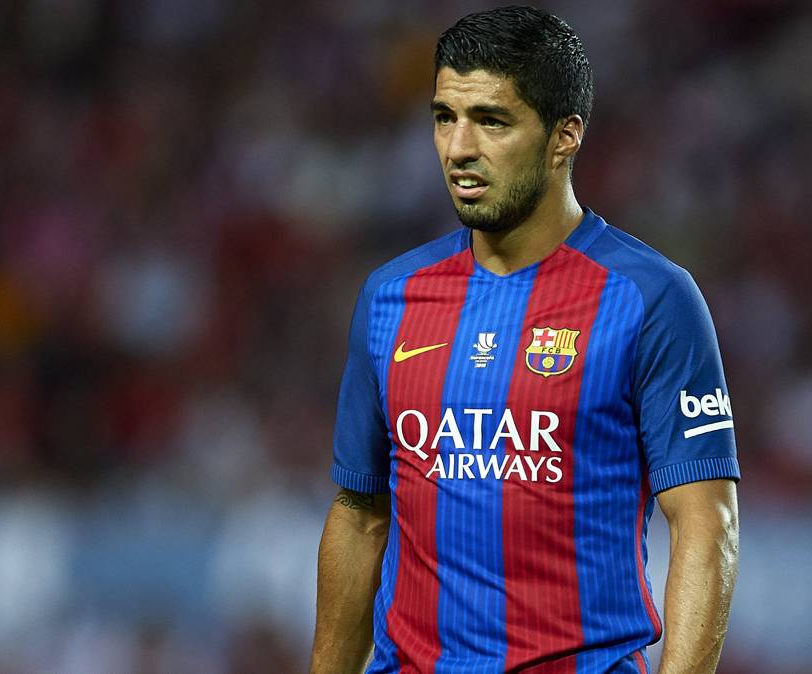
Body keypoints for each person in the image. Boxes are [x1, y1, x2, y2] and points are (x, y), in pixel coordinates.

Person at [309, 6, 739, 674]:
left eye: (491, 121)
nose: (457, 149)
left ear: (564, 136)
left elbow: (706, 523)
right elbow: (360, 513)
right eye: (443, 117)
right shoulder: (390, 297)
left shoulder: (649, 297)